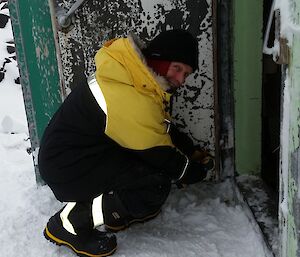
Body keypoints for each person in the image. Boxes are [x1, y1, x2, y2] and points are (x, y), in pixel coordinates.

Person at [38, 29, 215, 257]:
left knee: (147, 171)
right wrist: (194, 171)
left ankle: (117, 211)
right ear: (159, 59)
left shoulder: (135, 78)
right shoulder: (130, 94)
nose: (181, 80)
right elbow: (160, 153)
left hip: (82, 154)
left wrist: (189, 149)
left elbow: (157, 127)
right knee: (154, 183)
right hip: (67, 167)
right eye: (177, 68)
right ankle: (70, 222)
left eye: (186, 74)